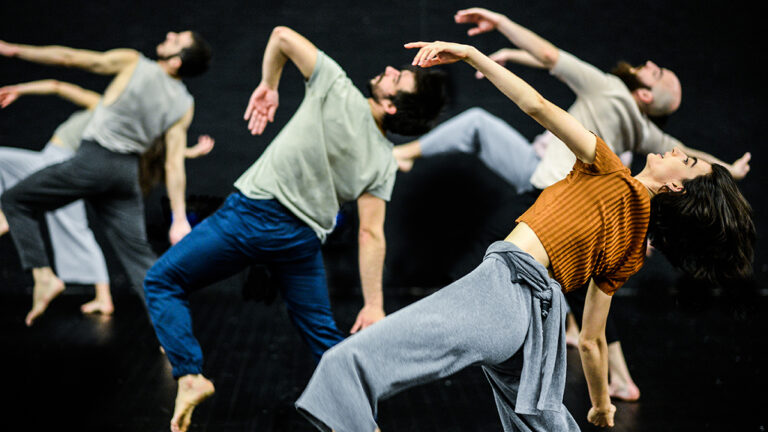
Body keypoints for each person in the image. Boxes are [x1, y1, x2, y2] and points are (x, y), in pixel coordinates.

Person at [295, 40, 754, 431]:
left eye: (688, 162)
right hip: (539, 329)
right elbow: (592, 341)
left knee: (347, 365)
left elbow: (536, 105)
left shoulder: (610, 168)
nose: (677, 150)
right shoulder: (632, 250)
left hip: (503, 291)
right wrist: (599, 405)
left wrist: (474, 55)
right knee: (545, 422)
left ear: (676, 185)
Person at [392, 7, 753, 402]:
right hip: (552, 179)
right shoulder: (643, 133)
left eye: (657, 73)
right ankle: (610, 368)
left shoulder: (610, 91)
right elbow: (689, 156)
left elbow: (548, 68)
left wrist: (498, 28)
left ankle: (405, 154)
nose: (650, 64)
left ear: (646, 94)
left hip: (556, 184)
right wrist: (728, 170)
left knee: (480, 130)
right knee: (584, 285)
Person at [141, 26, 446, 432]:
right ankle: (362, 422)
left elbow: (281, 36)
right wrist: (373, 305)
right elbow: (371, 233)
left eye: (397, 78)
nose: (389, 69)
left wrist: (269, 86)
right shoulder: (385, 161)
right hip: (300, 242)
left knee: (162, 281)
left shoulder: (337, 87)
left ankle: (191, 376)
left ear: (392, 106)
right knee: (324, 340)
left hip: (251, 217)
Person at [0, 31, 212, 326]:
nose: (169, 34)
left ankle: (44, 276)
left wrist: (13, 50)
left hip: (93, 161)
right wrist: (178, 218)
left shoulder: (134, 62)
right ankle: (174, 332)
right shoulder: (184, 103)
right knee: (140, 258)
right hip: (126, 176)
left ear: (176, 62)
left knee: (13, 200)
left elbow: (69, 58)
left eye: (177, 39)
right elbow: (174, 164)